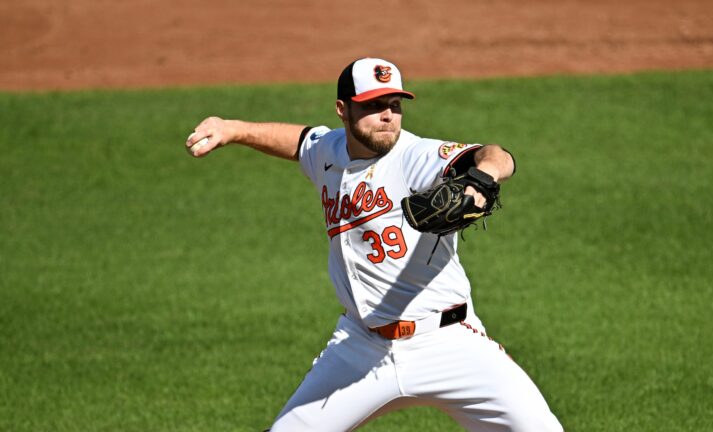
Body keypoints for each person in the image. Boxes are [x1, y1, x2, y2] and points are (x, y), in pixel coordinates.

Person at [186, 58, 562, 432]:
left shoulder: (416, 156)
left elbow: (497, 155)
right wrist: (232, 128)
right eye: (373, 105)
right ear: (342, 110)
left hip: (448, 342)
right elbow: (300, 141)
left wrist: (482, 178)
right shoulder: (329, 151)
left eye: (394, 106)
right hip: (360, 348)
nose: (387, 116)